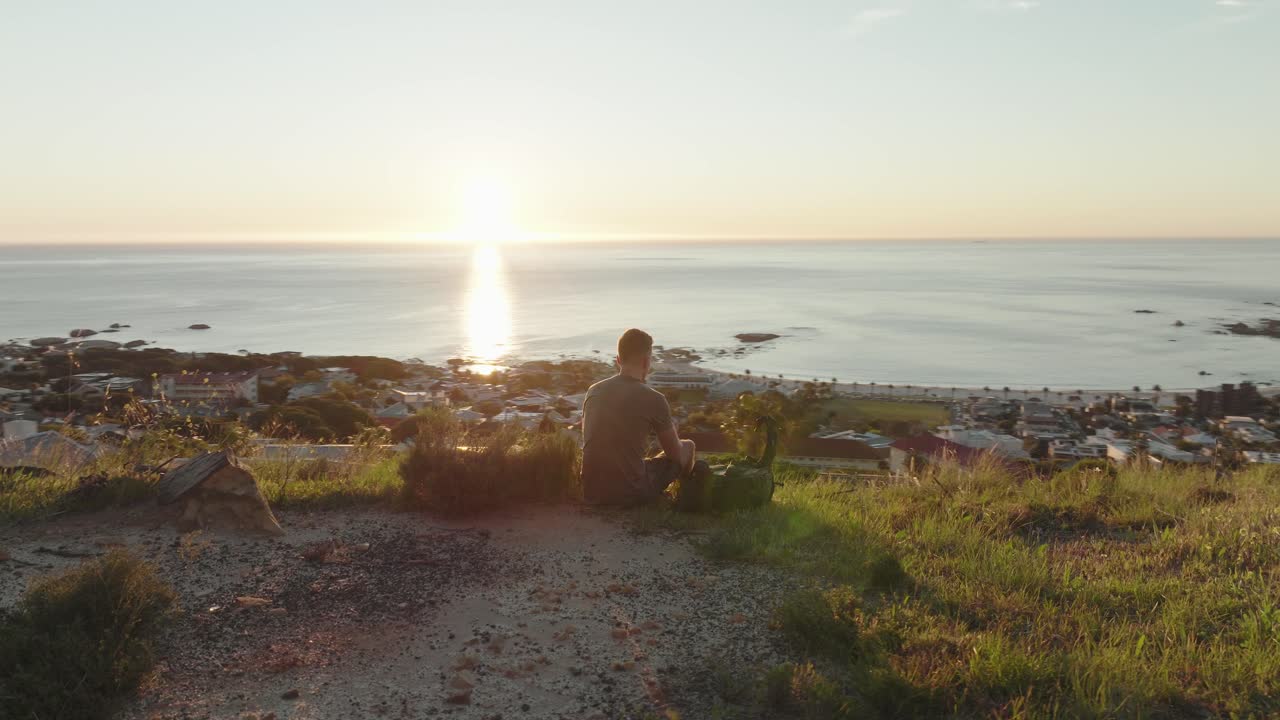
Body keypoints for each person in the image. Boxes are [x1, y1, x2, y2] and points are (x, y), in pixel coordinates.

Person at [580, 328, 695, 505]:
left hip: (591, 491)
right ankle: (684, 500)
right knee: (688, 447)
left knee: (639, 462)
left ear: (618, 360)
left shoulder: (593, 391)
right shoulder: (655, 398)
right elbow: (676, 455)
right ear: (646, 362)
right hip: (630, 492)